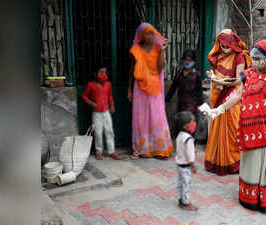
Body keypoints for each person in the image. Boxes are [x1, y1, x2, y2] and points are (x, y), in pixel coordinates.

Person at [207, 40, 266, 213]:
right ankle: (247, 198)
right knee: (251, 163)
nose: (255, 62)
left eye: (258, 58)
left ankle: (264, 200)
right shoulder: (249, 74)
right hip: (250, 127)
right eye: (253, 58)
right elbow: (238, 95)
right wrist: (219, 109)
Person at [204, 29, 251, 176]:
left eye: (227, 46)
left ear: (232, 44)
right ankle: (216, 160)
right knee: (216, 127)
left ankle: (232, 163)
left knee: (232, 129)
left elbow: (239, 79)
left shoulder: (239, 57)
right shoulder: (217, 55)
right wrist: (212, 76)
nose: (224, 49)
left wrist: (222, 81)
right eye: (222, 45)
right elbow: (213, 71)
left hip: (232, 95)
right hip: (217, 93)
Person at [127, 22, 174, 159]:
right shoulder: (135, 50)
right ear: (141, 35)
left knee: (157, 116)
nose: (150, 36)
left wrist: (164, 51)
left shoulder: (158, 48)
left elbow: (160, 68)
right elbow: (131, 70)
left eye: (151, 33)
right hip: (139, 88)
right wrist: (129, 89)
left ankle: (159, 148)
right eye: (147, 33)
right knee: (140, 117)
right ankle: (142, 148)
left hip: (155, 88)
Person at [82, 66, 120, 160]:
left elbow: (110, 96)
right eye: (101, 72)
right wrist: (91, 103)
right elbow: (84, 95)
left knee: (109, 131)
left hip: (106, 111)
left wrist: (112, 105)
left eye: (105, 72)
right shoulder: (90, 85)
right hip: (96, 113)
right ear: (96, 74)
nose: (103, 74)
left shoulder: (108, 84)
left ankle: (111, 151)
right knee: (98, 132)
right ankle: (99, 151)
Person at [165, 49, 203, 115]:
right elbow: (173, 88)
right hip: (181, 105)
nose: (187, 62)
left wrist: (199, 104)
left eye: (190, 60)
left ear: (194, 61)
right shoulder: (179, 74)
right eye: (186, 60)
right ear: (183, 60)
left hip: (192, 106)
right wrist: (167, 100)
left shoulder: (197, 75)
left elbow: (199, 91)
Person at [174, 111, 198, 211]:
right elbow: (190, 155)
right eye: (193, 121)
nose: (194, 123)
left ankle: (180, 199)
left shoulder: (180, 135)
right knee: (187, 184)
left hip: (179, 165)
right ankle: (186, 203)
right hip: (186, 166)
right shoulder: (189, 139)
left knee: (180, 183)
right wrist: (193, 166)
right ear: (186, 126)